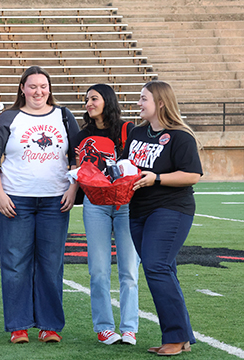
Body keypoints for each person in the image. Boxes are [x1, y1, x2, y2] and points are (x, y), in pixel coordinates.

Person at [0, 65, 79, 344]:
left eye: (43, 86)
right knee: (15, 264)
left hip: (55, 201)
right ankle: (19, 325)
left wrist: (73, 189)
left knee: (51, 264)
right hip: (16, 200)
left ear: (49, 89)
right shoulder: (8, 117)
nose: (38, 91)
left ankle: (49, 326)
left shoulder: (64, 116)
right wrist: (0, 195)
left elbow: (78, 156)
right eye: (32, 86)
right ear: (22, 89)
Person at [123, 80, 202, 356]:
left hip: (171, 208)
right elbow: (125, 167)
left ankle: (177, 337)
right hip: (138, 210)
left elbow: (192, 175)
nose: (139, 103)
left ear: (161, 104)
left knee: (156, 266)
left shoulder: (181, 136)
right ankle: (181, 335)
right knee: (163, 269)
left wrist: (156, 178)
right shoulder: (136, 133)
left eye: (143, 99)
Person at [74, 84, 140, 346]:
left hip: (125, 203)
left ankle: (129, 328)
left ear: (107, 101)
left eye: (94, 99)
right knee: (99, 269)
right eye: (87, 99)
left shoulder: (128, 129)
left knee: (129, 269)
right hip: (96, 203)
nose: (89, 103)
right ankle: (103, 326)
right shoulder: (81, 136)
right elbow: (77, 168)